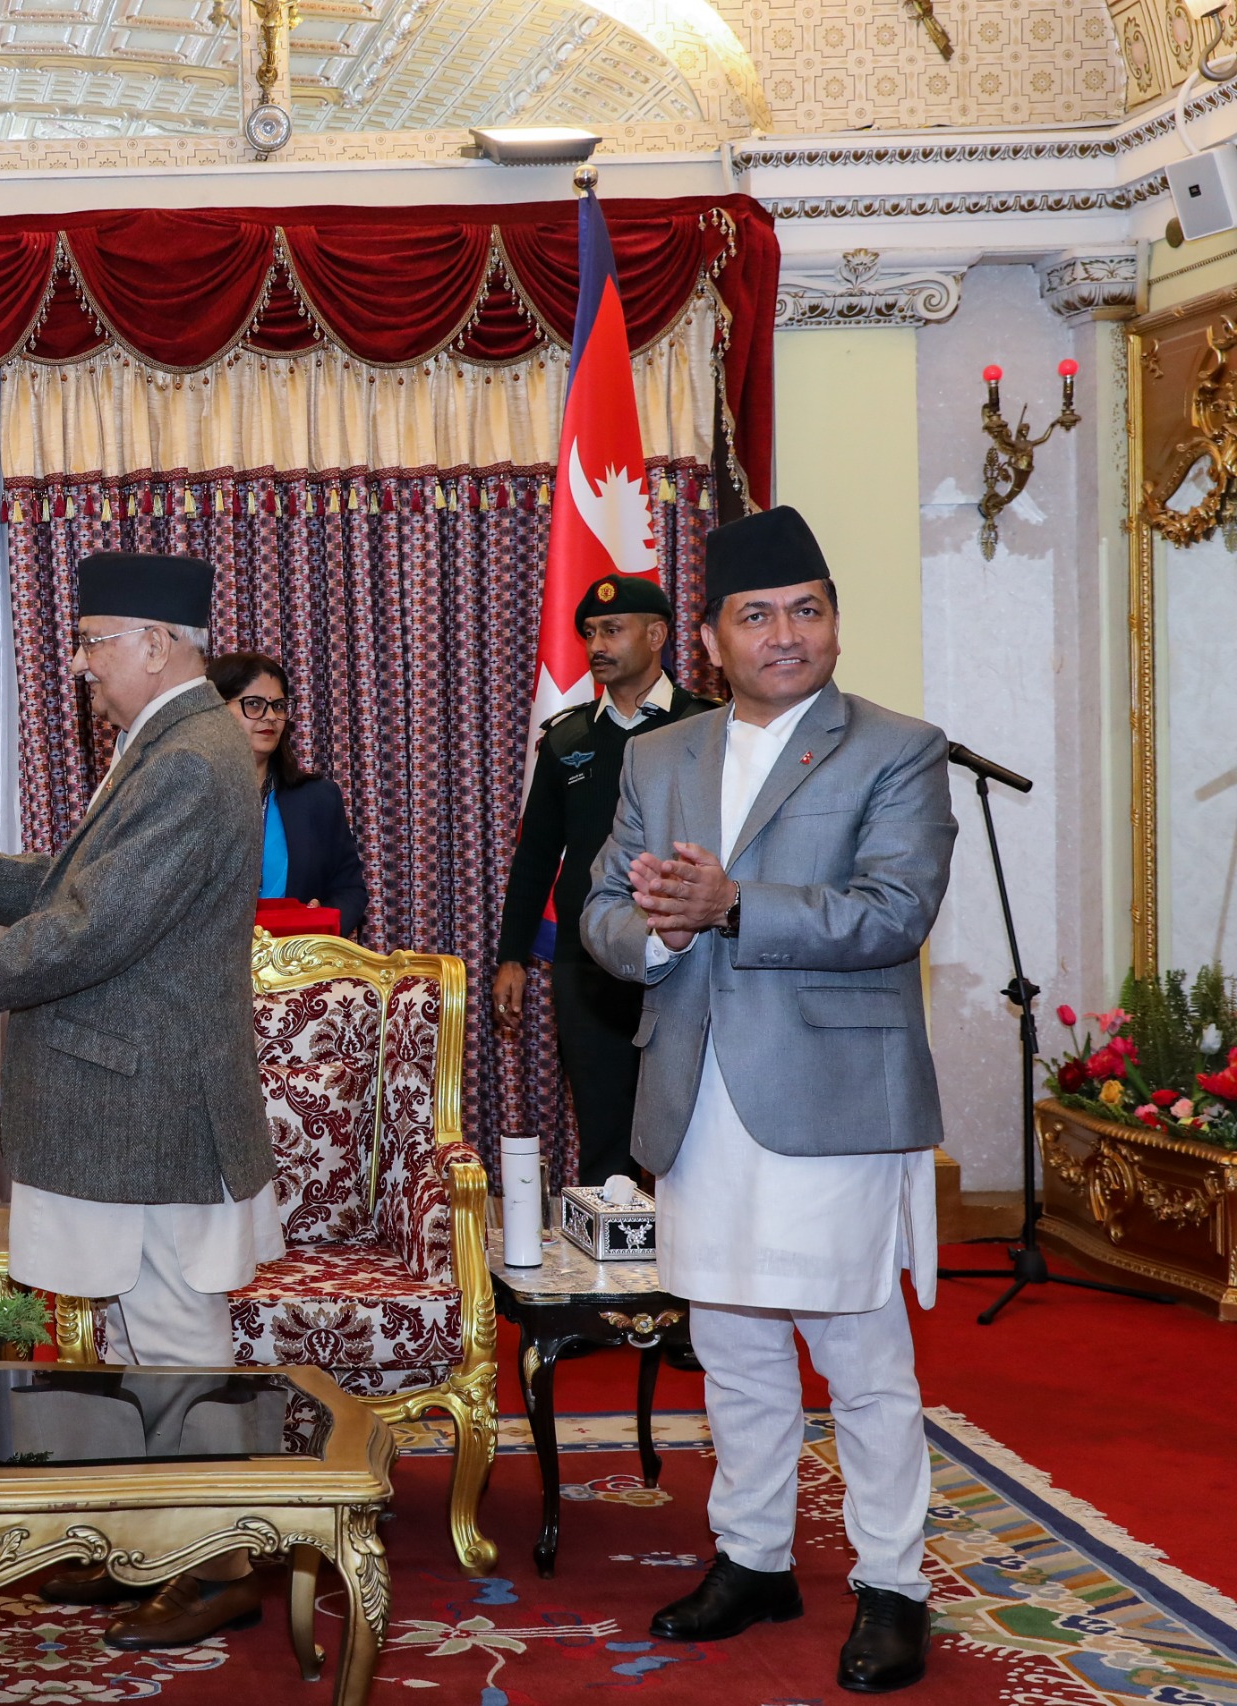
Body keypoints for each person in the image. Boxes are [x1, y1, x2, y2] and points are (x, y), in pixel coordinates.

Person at [0, 551, 280, 1651]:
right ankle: (148, 1541)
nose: (81, 663)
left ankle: (216, 1563)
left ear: (157, 643)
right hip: (126, 1095)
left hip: (150, 1104)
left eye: (93, 641)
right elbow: (86, 883)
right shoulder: (175, 740)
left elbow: (92, 929)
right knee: (136, 1330)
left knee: (175, 1333)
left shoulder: (191, 757)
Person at [581, 507, 954, 1695]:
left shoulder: (896, 746)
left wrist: (731, 903)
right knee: (734, 1344)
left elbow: (894, 910)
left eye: (807, 609)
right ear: (708, 639)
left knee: (858, 1351)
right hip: (697, 1096)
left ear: (834, 621)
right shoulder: (658, 759)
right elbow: (600, 910)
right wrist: (653, 929)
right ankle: (753, 1557)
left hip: (831, 1096)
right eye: (757, 615)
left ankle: (892, 1582)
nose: (785, 633)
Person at [492, 573, 717, 1185]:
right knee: (603, 1133)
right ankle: (611, 1247)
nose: (596, 645)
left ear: (657, 635)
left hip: (686, 951)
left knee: (692, 1131)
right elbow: (536, 853)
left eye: (612, 630)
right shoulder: (567, 738)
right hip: (588, 959)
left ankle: (683, 1247)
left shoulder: (706, 728)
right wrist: (512, 955)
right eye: (589, 632)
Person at [206, 651, 368, 938]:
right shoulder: (188, 797)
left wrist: (322, 922)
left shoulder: (318, 798)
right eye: (253, 704)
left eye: (278, 706)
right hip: (211, 960)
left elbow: (350, 890)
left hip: (297, 959)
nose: (270, 716)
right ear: (215, 710)